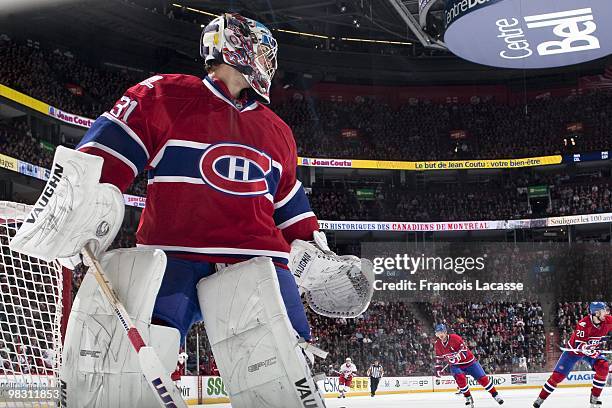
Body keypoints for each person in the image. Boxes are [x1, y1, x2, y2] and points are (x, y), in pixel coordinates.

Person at [11, 12, 372, 408]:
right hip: (173, 259)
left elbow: (291, 210)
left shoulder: (278, 131)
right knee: (129, 380)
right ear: (238, 48)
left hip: (257, 263)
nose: (270, 63)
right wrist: (78, 202)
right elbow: (101, 159)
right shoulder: (164, 95)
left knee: (283, 382)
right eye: (265, 52)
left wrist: (315, 251)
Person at [533, 302, 611, 408]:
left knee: (603, 366)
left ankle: (595, 397)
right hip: (573, 352)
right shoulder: (584, 324)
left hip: (591, 351)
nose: (607, 312)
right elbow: (580, 346)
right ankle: (540, 399)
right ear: (596, 313)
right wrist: (588, 349)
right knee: (557, 377)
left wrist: (591, 351)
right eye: (604, 311)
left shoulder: (608, 320)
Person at [434, 324, 504, 407]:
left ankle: (495, 395)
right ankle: (468, 397)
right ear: (436, 334)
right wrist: (438, 369)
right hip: (456, 365)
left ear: (445, 332)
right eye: (438, 333)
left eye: (442, 332)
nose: (440, 335)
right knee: (460, 379)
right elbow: (439, 358)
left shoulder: (455, 338)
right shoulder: (437, 344)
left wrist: (456, 359)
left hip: (469, 362)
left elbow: (464, 352)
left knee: (483, 379)